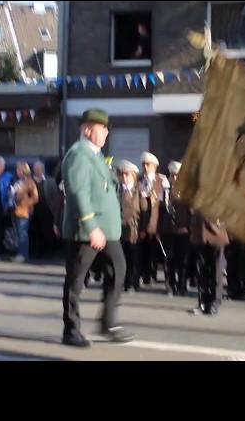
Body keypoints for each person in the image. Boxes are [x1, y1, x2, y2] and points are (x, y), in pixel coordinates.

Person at [61, 109, 134, 347]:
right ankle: (71, 330)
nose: (106, 133)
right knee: (76, 280)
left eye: (106, 129)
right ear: (87, 129)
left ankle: (108, 323)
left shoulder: (96, 155)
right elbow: (78, 192)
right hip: (87, 230)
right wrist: (91, 226)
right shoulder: (79, 154)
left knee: (118, 269)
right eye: (102, 129)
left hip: (107, 231)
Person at [158, 161, 191, 296]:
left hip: (183, 230)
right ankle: (170, 284)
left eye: (178, 175)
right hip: (168, 230)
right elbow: (160, 211)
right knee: (169, 259)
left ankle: (182, 285)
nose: (175, 178)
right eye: (173, 175)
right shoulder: (166, 190)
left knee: (183, 260)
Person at [138, 151, 170, 285]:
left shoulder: (161, 180)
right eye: (144, 164)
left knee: (154, 250)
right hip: (142, 221)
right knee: (142, 249)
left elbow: (165, 204)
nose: (145, 167)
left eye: (148, 164)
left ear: (154, 166)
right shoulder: (139, 180)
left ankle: (152, 273)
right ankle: (143, 274)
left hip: (156, 220)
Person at [190, 212, 229, 315]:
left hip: (215, 237)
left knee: (216, 272)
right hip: (201, 237)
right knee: (202, 272)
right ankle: (203, 302)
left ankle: (214, 303)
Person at [117, 160, 142, 292]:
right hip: (120, 229)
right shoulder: (118, 190)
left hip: (133, 229)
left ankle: (133, 282)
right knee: (122, 258)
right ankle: (123, 282)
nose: (124, 177)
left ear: (133, 175)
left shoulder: (138, 190)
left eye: (127, 174)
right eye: (122, 174)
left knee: (133, 258)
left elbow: (143, 210)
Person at [11, 162, 39, 263]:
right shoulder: (18, 181)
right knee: (18, 233)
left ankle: (23, 254)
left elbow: (35, 198)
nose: (17, 171)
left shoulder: (29, 182)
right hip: (15, 209)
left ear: (24, 171)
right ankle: (19, 253)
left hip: (24, 210)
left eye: (19, 170)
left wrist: (25, 203)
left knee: (23, 233)